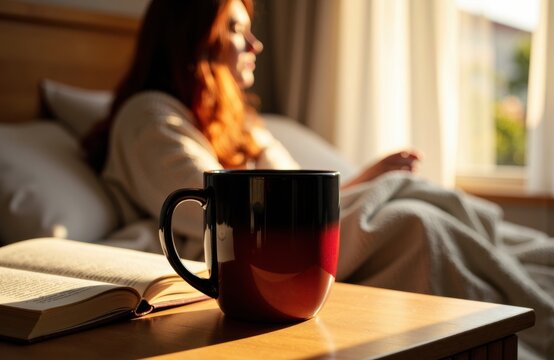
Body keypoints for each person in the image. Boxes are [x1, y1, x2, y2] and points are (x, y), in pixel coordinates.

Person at [83, 1, 553, 357]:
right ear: (191, 38)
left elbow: (292, 189)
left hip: (292, 232)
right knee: (414, 223)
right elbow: (223, 209)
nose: (255, 46)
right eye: (236, 30)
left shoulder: (240, 122)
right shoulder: (148, 116)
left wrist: (367, 179)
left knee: (425, 199)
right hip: (263, 247)